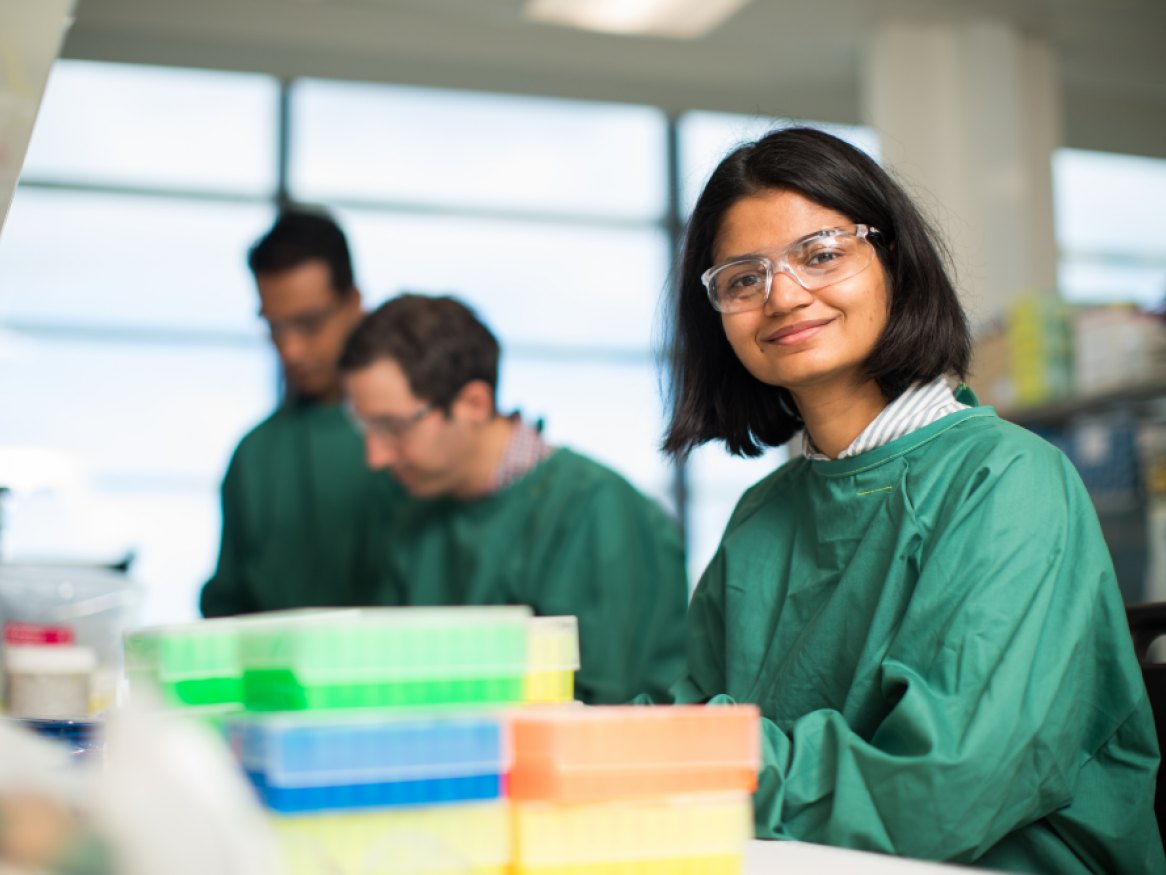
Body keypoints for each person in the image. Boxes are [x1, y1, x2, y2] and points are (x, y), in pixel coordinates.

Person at [655, 127, 1164, 873]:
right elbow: (689, 717)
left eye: (821, 253)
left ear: (894, 258)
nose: (783, 295)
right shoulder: (762, 515)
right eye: (741, 278)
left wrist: (686, 759)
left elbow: (950, 789)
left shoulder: (1008, 480)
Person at [339, 293, 688, 705]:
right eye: (364, 427)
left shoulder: (597, 511)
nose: (375, 457)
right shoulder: (412, 513)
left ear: (474, 404)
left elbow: (595, 713)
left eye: (393, 427)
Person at [201, 210, 401, 616]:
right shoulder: (254, 457)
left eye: (310, 324)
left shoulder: (415, 439)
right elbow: (226, 608)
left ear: (356, 303)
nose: (290, 349)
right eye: (275, 328)